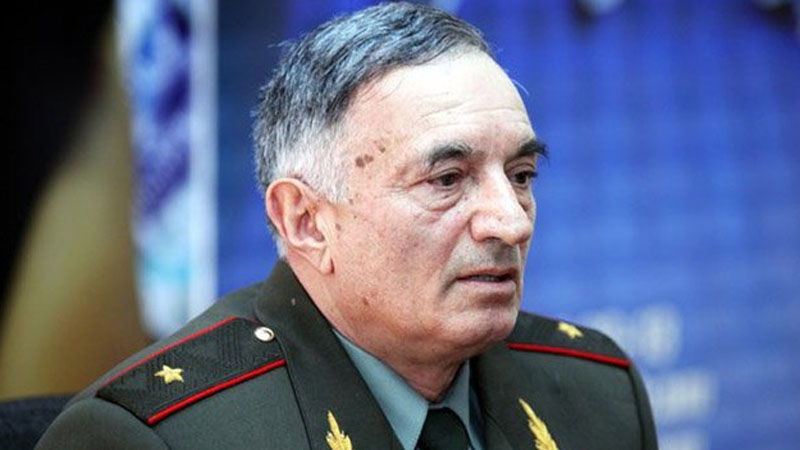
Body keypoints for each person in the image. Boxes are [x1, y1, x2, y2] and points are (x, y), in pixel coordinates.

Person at [36, 3, 657, 449]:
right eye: (447, 180)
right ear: (305, 221)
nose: (510, 222)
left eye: (520, 175)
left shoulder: (598, 392)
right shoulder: (158, 437)